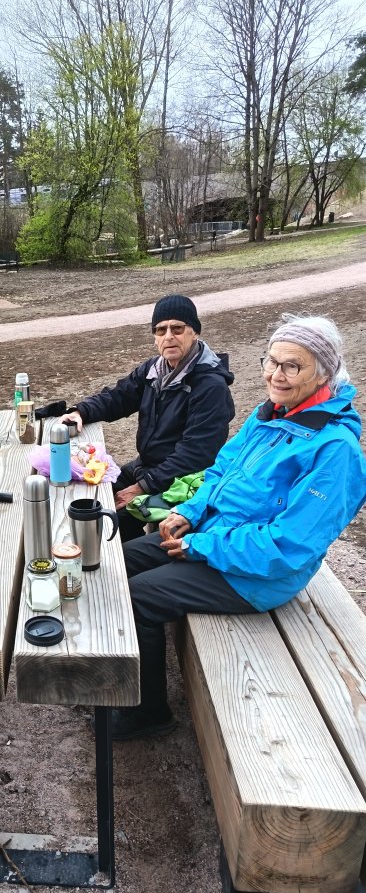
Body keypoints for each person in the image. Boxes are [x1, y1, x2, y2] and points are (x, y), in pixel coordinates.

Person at [112, 314, 366, 741]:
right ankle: (122, 670)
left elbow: (288, 547)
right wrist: (190, 511)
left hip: (256, 574)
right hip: (213, 536)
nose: (276, 375)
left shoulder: (335, 452)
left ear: (324, 373)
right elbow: (221, 470)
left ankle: (148, 712)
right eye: (272, 361)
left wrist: (200, 545)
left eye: (292, 366)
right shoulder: (272, 414)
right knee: (116, 563)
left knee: (138, 596)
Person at [61, 295, 235, 541]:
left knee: (107, 520)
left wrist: (142, 487)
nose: (168, 336)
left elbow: (196, 455)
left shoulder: (210, 386)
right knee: (88, 494)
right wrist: (82, 411)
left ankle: (127, 554)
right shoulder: (154, 369)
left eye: (177, 328)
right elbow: (119, 396)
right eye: (160, 330)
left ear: (194, 332)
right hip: (147, 467)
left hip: (183, 481)